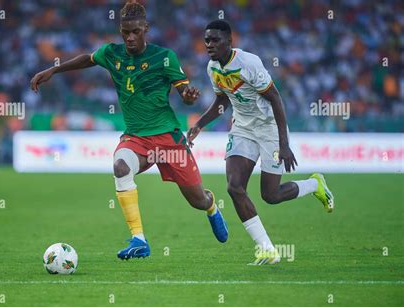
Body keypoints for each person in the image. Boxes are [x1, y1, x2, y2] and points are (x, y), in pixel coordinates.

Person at [30, 1, 228, 260]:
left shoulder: (164, 57)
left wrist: (189, 97)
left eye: (136, 32)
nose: (130, 38)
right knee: (121, 166)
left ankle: (211, 205)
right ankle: (139, 240)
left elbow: (185, 94)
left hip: (169, 140)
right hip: (136, 138)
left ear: (146, 28)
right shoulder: (112, 54)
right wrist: (54, 69)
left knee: (197, 200)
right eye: (125, 32)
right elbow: (87, 59)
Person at [187, 20, 334, 265]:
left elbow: (276, 99)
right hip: (242, 128)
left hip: (269, 129)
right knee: (234, 187)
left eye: (215, 40)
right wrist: (200, 124)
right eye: (207, 40)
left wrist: (284, 144)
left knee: (271, 195)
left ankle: (314, 184)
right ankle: (267, 249)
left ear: (229, 41)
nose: (209, 45)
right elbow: (223, 101)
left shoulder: (248, 63)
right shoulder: (212, 68)